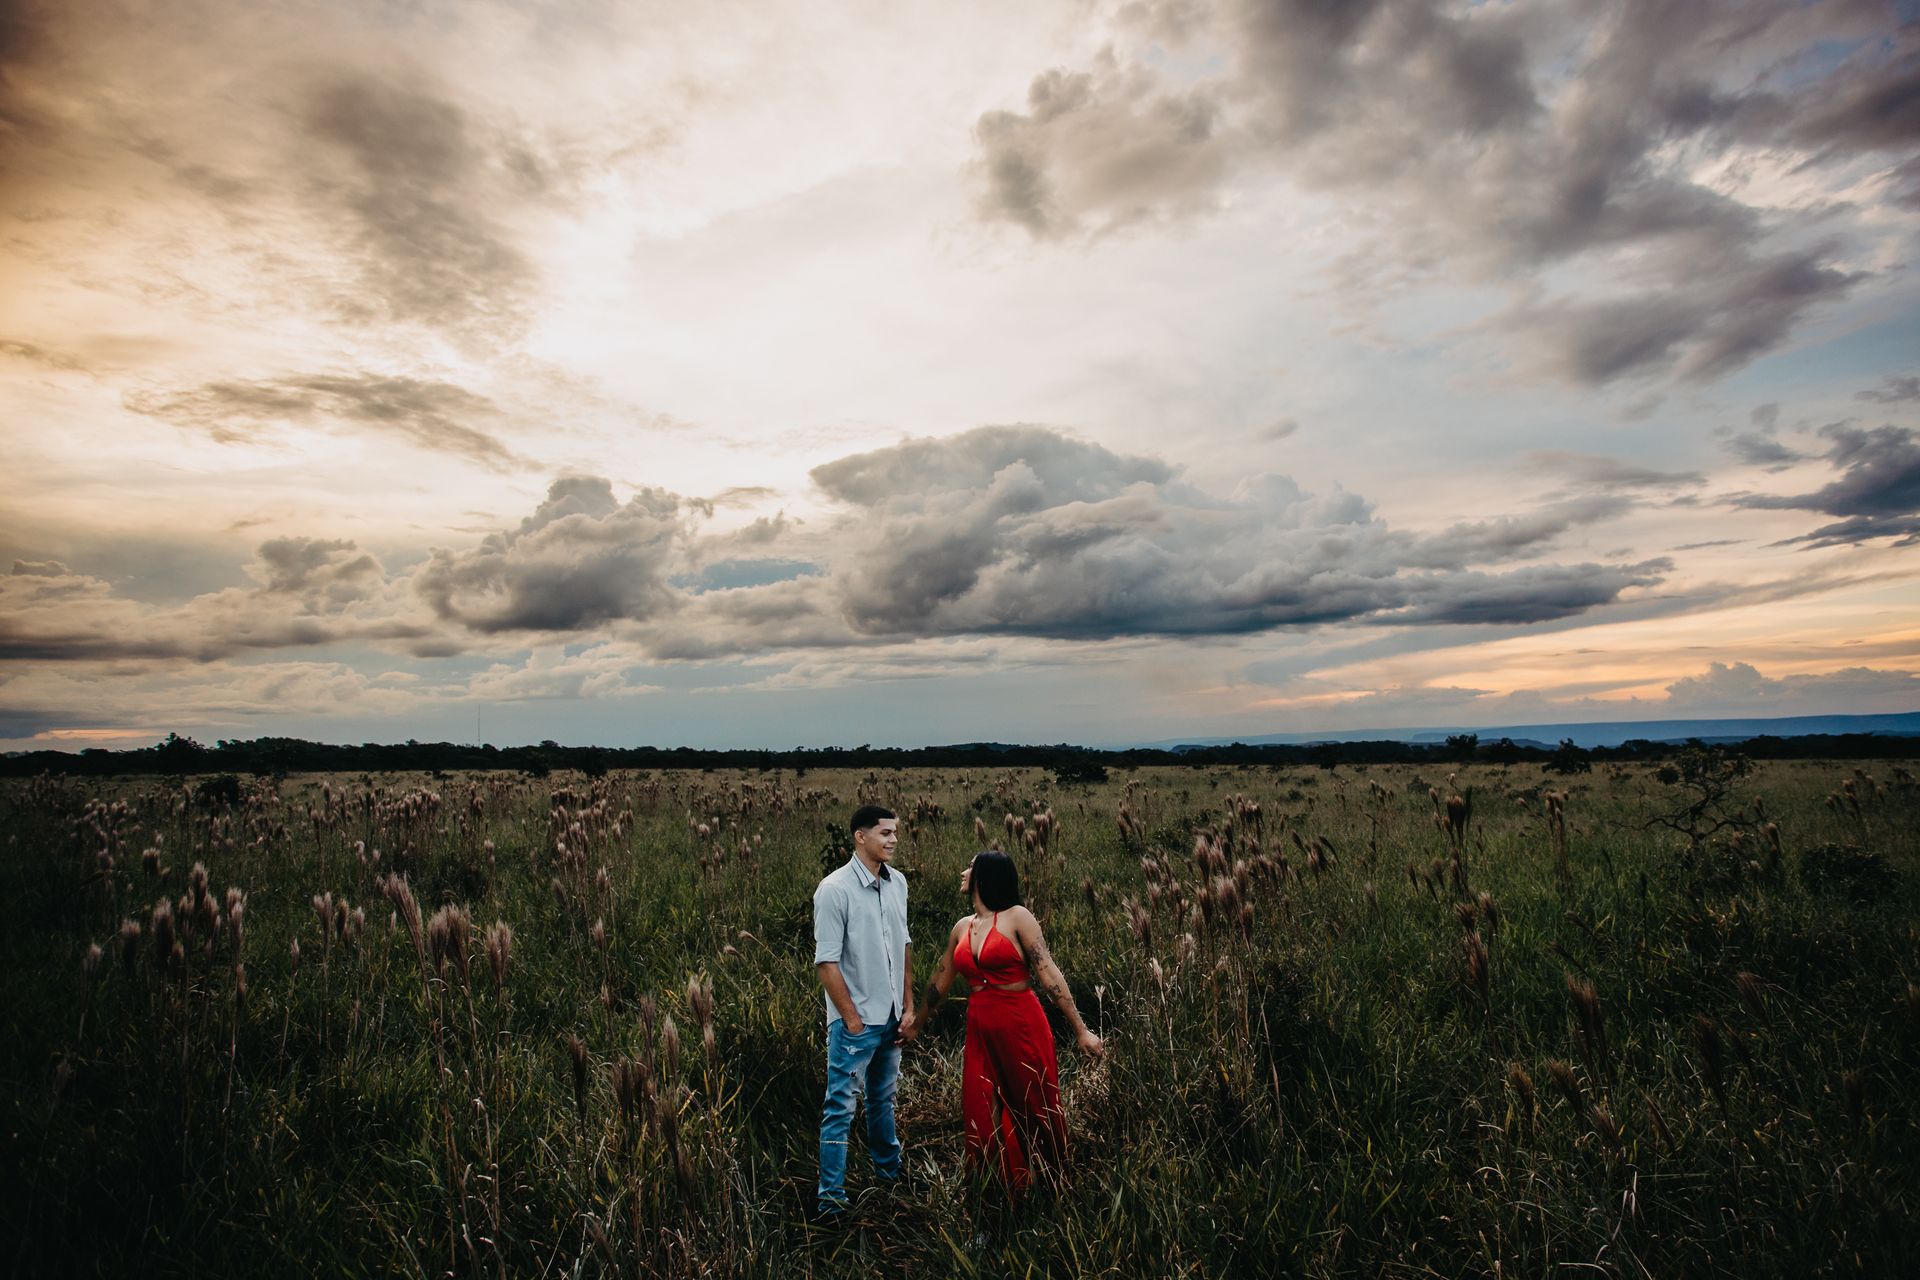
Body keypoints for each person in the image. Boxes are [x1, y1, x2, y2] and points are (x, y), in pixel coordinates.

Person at [901, 849, 1102, 1195]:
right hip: (981, 1027)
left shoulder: (1017, 917)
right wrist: (917, 1024)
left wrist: (1081, 1030)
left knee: (1034, 1105)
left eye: (970, 866)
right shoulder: (962, 927)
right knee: (981, 1110)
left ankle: (1053, 1185)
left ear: (984, 877)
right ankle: (996, 1196)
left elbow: (1048, 972)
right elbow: (941, 980)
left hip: (1020, 1022)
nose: (963, 872)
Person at [813, 804, 912, 1218]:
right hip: (856, 1023)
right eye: (884, 833)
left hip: (891, 1018)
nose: (892, 839)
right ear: (860, 836)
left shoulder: (898, 883)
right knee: (840, 1107)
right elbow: (826, 962)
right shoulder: (834, 889)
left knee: (882, 1100)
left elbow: (904, 946)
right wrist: (851, 1019)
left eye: (894, 833)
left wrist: (907, 1006)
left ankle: (889, 1173)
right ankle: (830, 1200)